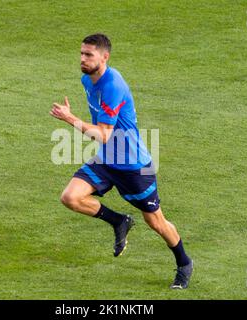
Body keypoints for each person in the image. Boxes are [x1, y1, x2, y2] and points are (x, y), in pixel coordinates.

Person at [50, 33, 193, 289]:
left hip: (135, 166)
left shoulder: (113, 85)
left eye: (89, 55)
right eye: (81, 53)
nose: (82, 59)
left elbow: (104, 134)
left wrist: (70, 119)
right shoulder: (87, 79)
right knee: (70, 197)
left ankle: (184, 263)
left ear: (104, 57)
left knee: (155, 221)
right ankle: (119, 221)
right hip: (107, 160)